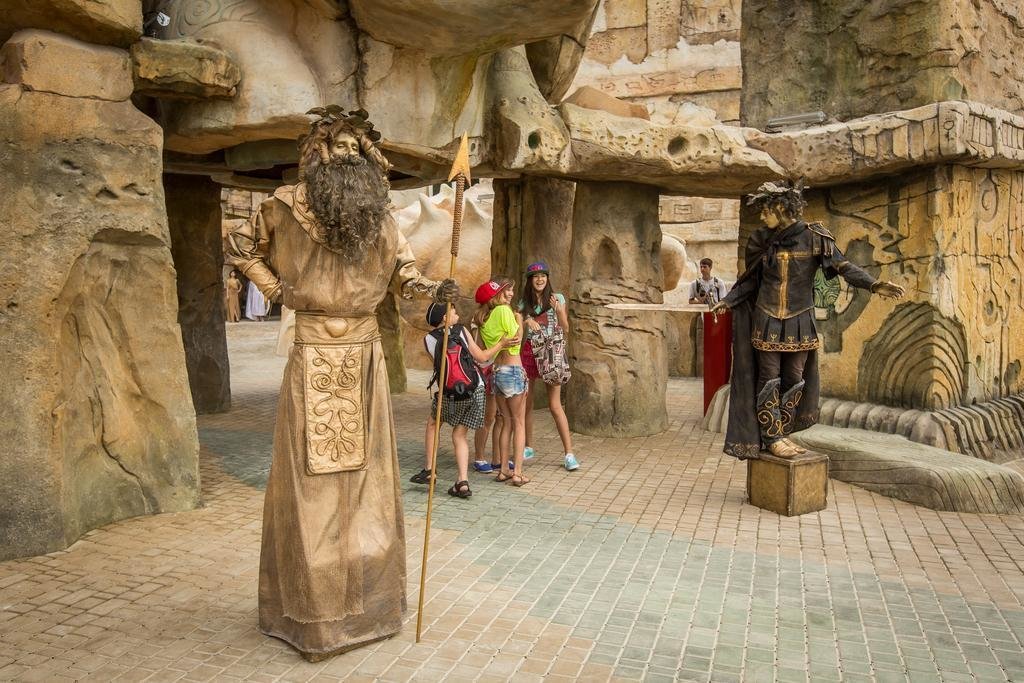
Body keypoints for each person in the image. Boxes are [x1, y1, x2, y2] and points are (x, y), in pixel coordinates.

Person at [226, 107, 458, 661]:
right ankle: (310, 611)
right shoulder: (283, 206)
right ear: (317, 153)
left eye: (357, 149)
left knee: (365, 478)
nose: (347, 156)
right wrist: (277, 292)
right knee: (311, 479)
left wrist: (435, 290)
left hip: (364, 357)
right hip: (311, 352)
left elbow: (404, 276)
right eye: (338, 147)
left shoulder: (380, 216)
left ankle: (368, 606)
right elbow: (240, 247)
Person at [711, 180, 904, 459]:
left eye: (766, 210)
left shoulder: (815, 237)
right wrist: (728, 301)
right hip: (766, 319)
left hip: (800, 321)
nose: (762, 217)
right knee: (768, 378)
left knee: (794, 378)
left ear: (781, 207)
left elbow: (843, 267)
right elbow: (750, 281)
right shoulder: (761, 240)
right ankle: (772, 437)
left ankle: (783, 432)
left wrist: (873, 285)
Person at [409, 302, 512, 497]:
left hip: (449, 393)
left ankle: (430, 469)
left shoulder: (428, 339)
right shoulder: (461, 331)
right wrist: (501, 344)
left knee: (433, 423)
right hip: (475, 390)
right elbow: (482, 357)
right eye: (454, 312)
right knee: (459, 434)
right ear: (445, 318)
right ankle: (462, 482)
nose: (457, 315)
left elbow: (440, 370)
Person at [518, 261, 580, 471]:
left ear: (547, 278)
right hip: (529, 352)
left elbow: (566, 328)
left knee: (555, 405)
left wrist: (559, 310)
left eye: (543, 276)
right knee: (527, 402)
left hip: (551, 353)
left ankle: (569, 453)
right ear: (530, 280)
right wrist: (526, 321)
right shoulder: (523, 302)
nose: (540, 280)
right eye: (536, 276)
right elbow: (517, 326)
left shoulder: (557, 298)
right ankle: (528, 446)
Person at [476, 279, 529, 485]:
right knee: (519, 423)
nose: (507, 294)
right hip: (512, 371)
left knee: (506, 422)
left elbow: (488, 348)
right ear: (494, 297)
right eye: (502, 291)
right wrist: (519, 319)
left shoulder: (483, 319)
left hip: (496, 373)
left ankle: (504, 469)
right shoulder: (504, 311)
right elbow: (516, 339)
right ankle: (517, 473)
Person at [471, 277, 514, 473]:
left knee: (501, 416)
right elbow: (480, 351)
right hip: (486, 370)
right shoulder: (479, 320)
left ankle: (498, 459)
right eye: (501, 293)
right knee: (488, 417)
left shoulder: (502, 313)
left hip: (498, 368)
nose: (506, 296)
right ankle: (479, 457)